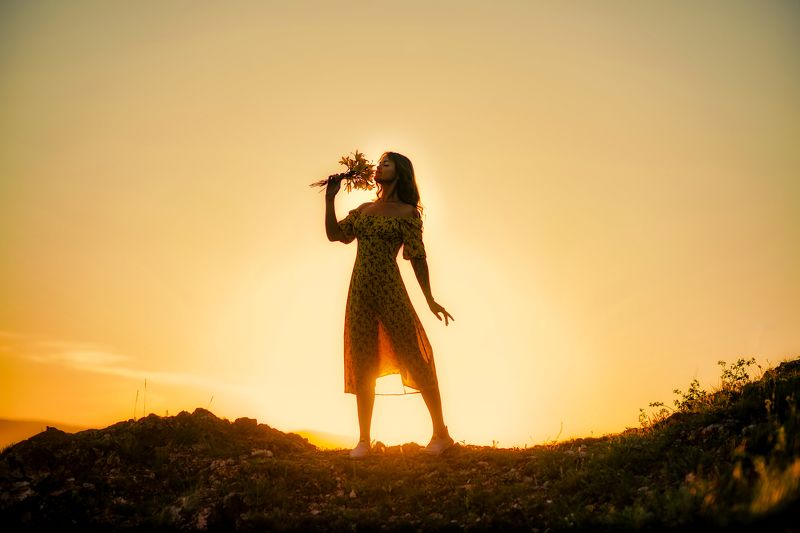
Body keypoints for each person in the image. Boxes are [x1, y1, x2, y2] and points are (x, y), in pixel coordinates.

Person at [324, 151, 455, 458]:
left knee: (415, 357)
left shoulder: (407, 213)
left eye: (386, 163)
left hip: (390, 290)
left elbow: (417, 257)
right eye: (379, 163)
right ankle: (364, 440)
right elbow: (335, 235)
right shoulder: (364, 210)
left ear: (400, 172)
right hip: (360, 291)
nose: (379, 167)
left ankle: (441, 433)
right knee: (363, 360)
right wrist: (330, 200)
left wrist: (429, 298)